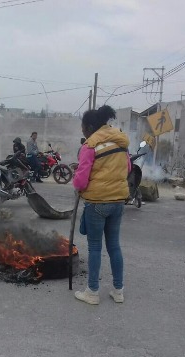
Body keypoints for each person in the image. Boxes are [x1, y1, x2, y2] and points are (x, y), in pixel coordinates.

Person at [72, 105, 131, 305]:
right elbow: (128, 168)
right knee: (114, 246)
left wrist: (77, 183)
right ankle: (118, 290)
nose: (82, 131)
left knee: (95, 247)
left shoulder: (90, 145)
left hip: (97, 202)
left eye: (83, 127)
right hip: (118, 201)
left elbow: (81, 181)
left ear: (90, 127)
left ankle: (92, 292)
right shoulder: (120, 142)